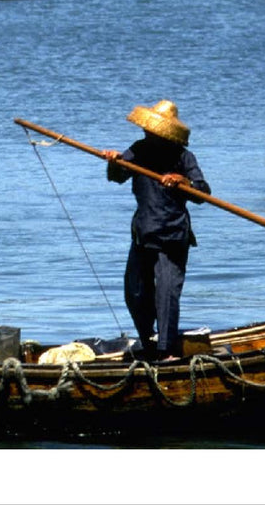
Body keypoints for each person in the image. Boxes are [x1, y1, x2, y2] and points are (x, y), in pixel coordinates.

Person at [103, 99, 211, 360]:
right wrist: (114, 162)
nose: (146, 131)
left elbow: (203, 192)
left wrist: (184, 181)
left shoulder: (183, 157)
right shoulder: (139, 150)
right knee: (135, 291)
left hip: (172, 235)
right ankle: (147, 341)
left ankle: (166, 350)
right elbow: (116, 177)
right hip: (143, 232)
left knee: (167, 293)